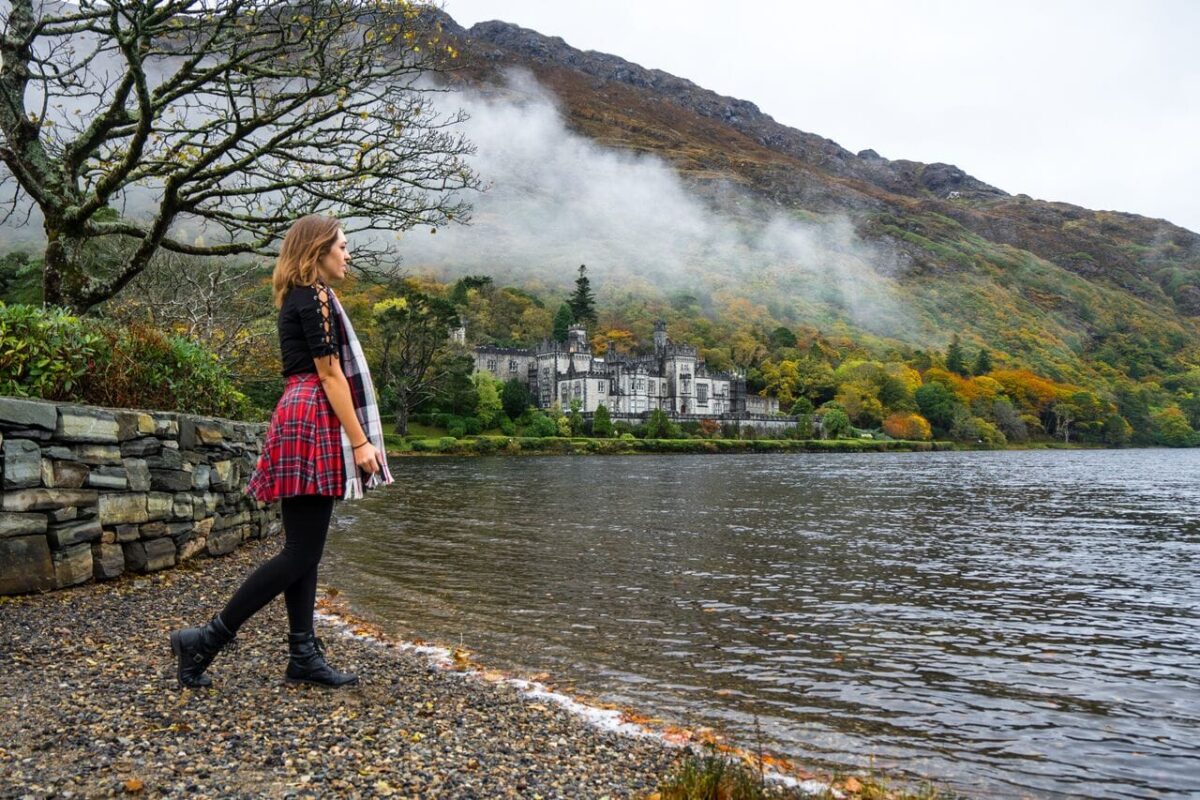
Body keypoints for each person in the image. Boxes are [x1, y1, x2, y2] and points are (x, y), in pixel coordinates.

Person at [170, 215, 393, 689]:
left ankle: (302, 654)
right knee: (300, 551)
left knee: (303, 550)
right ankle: (205, 640)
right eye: (343, 246)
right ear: (318, 251)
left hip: (298, 411)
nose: (348, 255)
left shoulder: (300, 296)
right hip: (314, 413)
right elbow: (330, 375)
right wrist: (360, 440)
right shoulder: (313, 296)